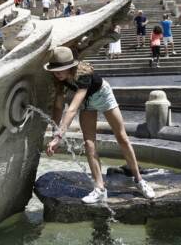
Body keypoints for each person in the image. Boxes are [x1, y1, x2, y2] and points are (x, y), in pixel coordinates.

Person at [44, 47, 155, 203]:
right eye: (55, 69)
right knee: (89, 144)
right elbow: (58, 107)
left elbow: (72, 109)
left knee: (122, 137)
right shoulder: (58, 80)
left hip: (103, 96)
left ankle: (139, 180)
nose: (58, 73)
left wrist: (59, 136)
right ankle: (100, 188)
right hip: (87, 103)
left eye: (61, 69)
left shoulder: (83, 74)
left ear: (70, 66)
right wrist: (54, 133)